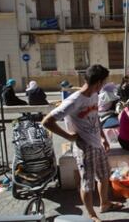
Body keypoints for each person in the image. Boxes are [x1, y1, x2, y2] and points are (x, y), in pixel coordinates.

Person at [42, 65, 123, 222]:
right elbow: (47, 122)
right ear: (98, 82)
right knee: (87, 184)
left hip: (97, 144)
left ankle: (105, 204)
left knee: (104, 175)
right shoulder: (73, 101)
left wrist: (103, 138)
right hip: (84, 147)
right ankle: (92, 215)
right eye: (104, 81)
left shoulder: (94, 95)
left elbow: (95, 117)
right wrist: (68, 136)